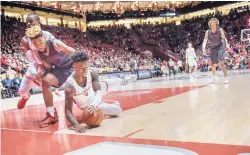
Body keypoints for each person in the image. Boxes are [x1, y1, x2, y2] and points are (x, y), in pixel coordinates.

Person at [25, 24, 75, 128]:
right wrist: (41, 74)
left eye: (40, 41)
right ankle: (51, 114)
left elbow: (73, 52)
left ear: (44, 37)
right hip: (60, 71)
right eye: (35, 43)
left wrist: (82, 67)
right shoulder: (38, 52)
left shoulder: (55, 44)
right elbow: (49, 68)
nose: (39, 45)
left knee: (83, 102)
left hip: (72, 67)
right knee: (45, 81)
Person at [64, 52, 122, 133]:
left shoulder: (92, 72)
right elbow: (68, 110)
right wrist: (76, 125)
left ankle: (123, 80)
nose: (84, 70)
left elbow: (98, 92)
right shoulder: (70, 87)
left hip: (94, 98)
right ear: (73, 65)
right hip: (86, 105)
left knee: (110, 83)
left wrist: (93, 104)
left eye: (86, 67)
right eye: (81, 67)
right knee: (118, 110)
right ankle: (115, 104)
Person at [18, 13, 56, 109]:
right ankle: (26, 97)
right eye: (27, 22)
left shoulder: (47, 35)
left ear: (38, 22)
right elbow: (32, 60)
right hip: (34, 68)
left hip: (47, 67)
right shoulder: (25, 40)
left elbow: (56, 52)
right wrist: (36, 72)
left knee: (46, 89)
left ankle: (52, 112)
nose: (28, 24)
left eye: (30, 21)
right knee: (21, 91)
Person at [202, 18, 230, 84]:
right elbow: (205, 41)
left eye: (214, 23)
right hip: (213, 48)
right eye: (212, 23)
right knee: (213, 65)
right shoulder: (207, 32)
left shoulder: (220, 29)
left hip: (220, 46)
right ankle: (213, 78)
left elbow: (224, 37)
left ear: (216, 24)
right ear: (210, 24)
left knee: (221, 62)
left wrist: (227, 45)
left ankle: (226, 78)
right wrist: (203, 49)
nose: (213, 24)